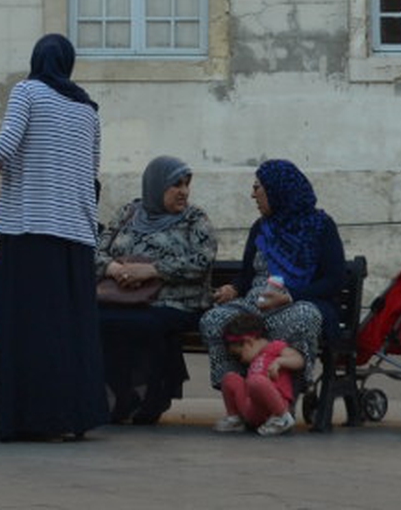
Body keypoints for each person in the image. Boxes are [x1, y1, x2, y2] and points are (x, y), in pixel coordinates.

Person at [0, 32, 107, 442]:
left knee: (31, 328)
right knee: (71, 329)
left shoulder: (28, 91)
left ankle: (35, 418)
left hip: (31, 228)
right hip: (77, 233)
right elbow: (92, 171)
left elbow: (6, 147)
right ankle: (74, 415)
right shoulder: (88, 109)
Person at [197, 159, 346, 423]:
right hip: (255, 303)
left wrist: (289, 296)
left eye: (258, 187)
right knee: (214, 320)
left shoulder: (321, 227)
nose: (253, 194)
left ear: (278, 190)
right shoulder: (261, 227)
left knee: (304, 318)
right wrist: (233, 288)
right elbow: (247, 274)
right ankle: (238, 402)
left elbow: (334, 279)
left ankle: (282, 404)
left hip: (295, 302)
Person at [94, 155, 216, 425]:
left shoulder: (195, 219)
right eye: (176, 185)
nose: (184, 191)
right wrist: (115, 269)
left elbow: (202, 261)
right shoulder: (128, 213)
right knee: (100, 320)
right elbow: (97, 251)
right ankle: (119, 393)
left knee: (147, 324)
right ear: (156, 186)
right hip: (123, 297)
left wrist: (153, 271)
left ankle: (151, 396)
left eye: (186, 184)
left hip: (174, 302)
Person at [216, 310, 305, 436]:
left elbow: (299, 360)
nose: (240, 360)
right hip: (252, 407)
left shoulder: (274, 347)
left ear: (249, 342)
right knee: (230, 378)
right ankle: (235, 418)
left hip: (272, 405)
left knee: (256, 381)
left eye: (238, 355)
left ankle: (281, 418)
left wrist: (280, 362)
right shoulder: (254, 359)